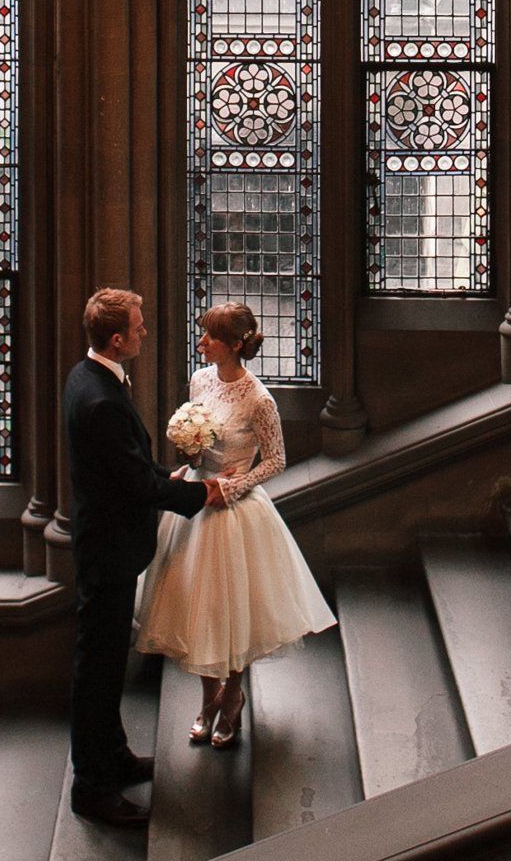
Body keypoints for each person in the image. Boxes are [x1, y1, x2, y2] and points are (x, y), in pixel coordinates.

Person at [136, 302, 337, 749]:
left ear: (233, 345)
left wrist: (235, 486)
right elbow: (196, 438)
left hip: (233, 509)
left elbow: (278, 461)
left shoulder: (258, 399)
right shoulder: (200, 379)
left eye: (209, 336)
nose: (201, 342)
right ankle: (209, 699)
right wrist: (189, 459)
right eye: (202, 333)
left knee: (232, 611)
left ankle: (232, 699)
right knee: (195, 608)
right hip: (193, 500)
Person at [62, 286, 227, 828]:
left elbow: (127, 467)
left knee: (107, 665)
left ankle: (113, 756)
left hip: (106, 541)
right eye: (138, 326)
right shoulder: (101, 400)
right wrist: (202, 494)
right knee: (99, 672)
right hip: (108, 550)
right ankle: (92, 788)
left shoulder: (87, 377)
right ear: (116, 338)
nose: (144, 332)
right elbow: (133, 482)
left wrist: (165, 476)